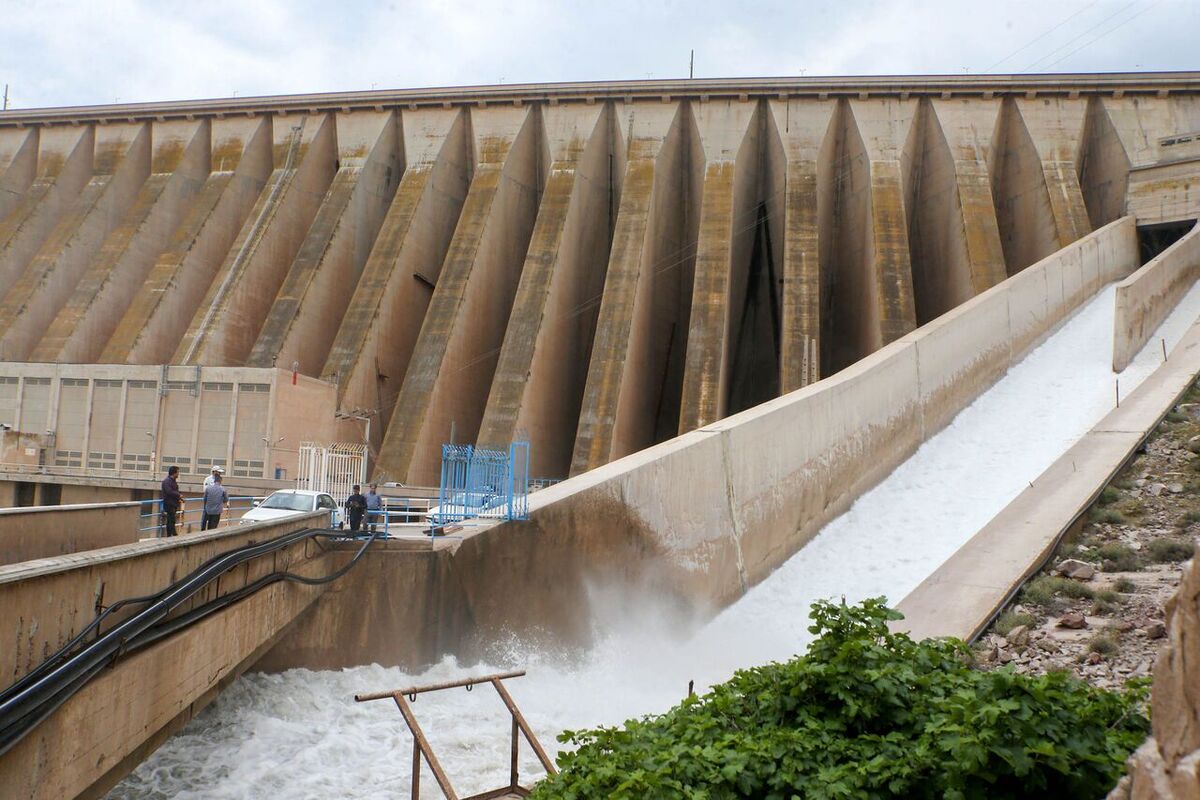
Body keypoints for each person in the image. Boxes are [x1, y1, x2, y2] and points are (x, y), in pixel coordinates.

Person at [160, 465, 182, 537]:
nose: (178, 474)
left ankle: (169, 535)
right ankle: (173, 535)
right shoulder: (167, 481)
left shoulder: (173, 481)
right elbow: (169, 491)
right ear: (174, 473)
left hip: (174, 503)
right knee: (171, 520)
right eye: (178, 472)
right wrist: (178, 495)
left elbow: (174, 491)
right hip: (169, 503)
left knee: (170, 520)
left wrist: (180, 498)